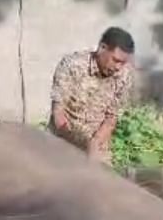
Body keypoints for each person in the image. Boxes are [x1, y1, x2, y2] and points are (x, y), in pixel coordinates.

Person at [49, 27, 136, 166]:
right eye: (116, 60)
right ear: (102, 48)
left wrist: (94, 143)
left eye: (123, 63)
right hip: (64, 139)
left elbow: (111, 118)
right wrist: (78, 143)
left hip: (98, 144)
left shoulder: (123, 76)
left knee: (103, 183)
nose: (119, 67)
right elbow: (58, 113)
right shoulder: (72, 65)